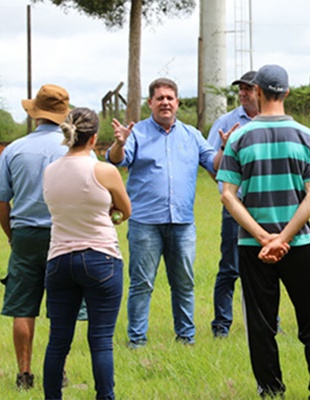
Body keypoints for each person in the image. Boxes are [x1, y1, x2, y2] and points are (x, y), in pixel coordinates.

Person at [217, 64, 310, 399]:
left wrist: (264, 237)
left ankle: (270, 390)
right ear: (286, 92)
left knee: (261, 323)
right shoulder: (308, 136)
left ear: (257, 92)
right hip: (300, 243)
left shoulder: (238, 136)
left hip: (253, 246)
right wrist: (283, 238)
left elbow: (228, 194)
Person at [107, 77, 227, 348]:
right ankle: (137, 341)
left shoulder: (191, 135)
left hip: (182, 223)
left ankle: (186, 338)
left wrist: (223, 149)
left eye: (169, 98)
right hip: (145, 223)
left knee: (184, 283)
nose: (165, 102)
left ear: (177, 103)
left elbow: (215, 165)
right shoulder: (137, 133)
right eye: (159, 98)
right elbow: (117, 160)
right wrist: (119, 143)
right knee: (142, 284)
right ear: (150, 103)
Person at [42, 108, 131, 400]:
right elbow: (125, 210)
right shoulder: (104, 171)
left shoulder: (50, 171)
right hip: (100, 257)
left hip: (58, 260)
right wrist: (111, 216)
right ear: (93, 139)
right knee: (101, 341)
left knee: (58, 341)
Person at [0, 84, 70, 389]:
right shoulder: (74, 148)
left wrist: (12, 236)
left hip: (26, 233)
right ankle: (59, 371)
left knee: (23, 306)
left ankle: (24, 374)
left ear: (35, 115)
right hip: (64, 234)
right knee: (61, 306)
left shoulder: (13, 150)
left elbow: (2, 201)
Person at [208, 70, 259, 338]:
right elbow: (211, 165)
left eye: (248, 88)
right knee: (230, 266)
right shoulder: (225, 121)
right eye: (241, 88)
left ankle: (267, 322)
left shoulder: (270, 121)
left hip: (264, 206)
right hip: (235, 205)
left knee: (265, 267)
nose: (243, 93)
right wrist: (225, 149)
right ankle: (221, 326)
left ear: (260, 91)